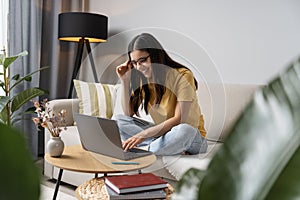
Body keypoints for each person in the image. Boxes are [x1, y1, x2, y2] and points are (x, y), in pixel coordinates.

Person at [112, 33, 207, 156]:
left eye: (143, 60)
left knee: (184, 130)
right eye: (134, 63)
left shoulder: (183, 75)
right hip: (163, 134)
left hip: (192, 138)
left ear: (156, 56)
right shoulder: (144, 79)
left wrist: (144, 135)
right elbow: (127, 113)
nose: (139, 67)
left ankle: (145, 151)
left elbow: (179, 119)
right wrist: (125, 80)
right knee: (118, 121)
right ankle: (166, 147)